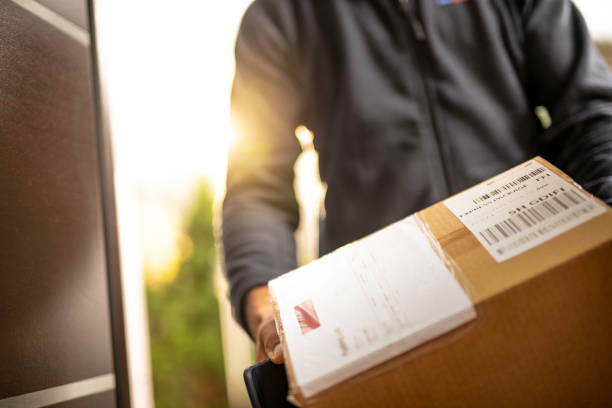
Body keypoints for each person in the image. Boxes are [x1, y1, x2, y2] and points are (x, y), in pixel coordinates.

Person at [221, 0, 612, 364]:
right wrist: (265, 303)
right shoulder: (283, 14)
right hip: (380, 329)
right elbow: (257, 190)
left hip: (541, 286)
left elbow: (587, 114)